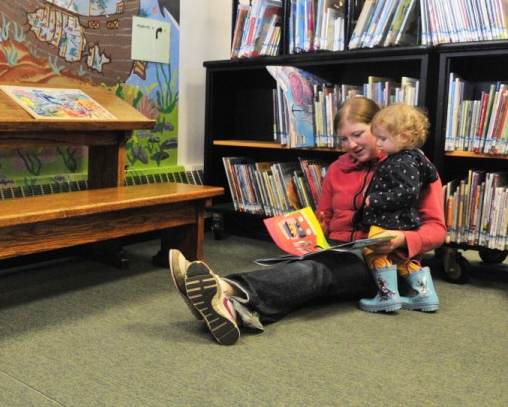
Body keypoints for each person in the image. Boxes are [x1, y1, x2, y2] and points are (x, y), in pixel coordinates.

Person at [169, 97, 446, 346]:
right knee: (305, 270)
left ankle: (223, 287)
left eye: (358, 134)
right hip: (336, 249)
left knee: (315, 273)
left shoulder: (409, 168)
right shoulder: (337, 169)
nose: (351, 145)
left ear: (377, 130)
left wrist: (403, 240)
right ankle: (233, 309)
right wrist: (312, 229)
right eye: (343, 139)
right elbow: (323, 218)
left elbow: (436, 230)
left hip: (382, 261)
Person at [359, 103, 440, 313]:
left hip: (388, 220)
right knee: (401, 257)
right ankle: (426, 295)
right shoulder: (418, 158)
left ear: (403, 137)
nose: (378, 143)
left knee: (372, 251)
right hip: (404, 221)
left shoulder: (399, 162)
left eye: (383, 139)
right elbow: (430, 176)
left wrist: (374, 200)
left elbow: (408, 193)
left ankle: (387, 296)